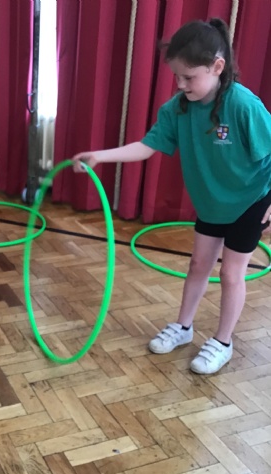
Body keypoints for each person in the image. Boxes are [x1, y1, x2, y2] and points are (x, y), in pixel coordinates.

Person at [73, 18, 271, 375]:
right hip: (212, 200)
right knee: (198, 265)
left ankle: (223, 342)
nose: (180, 84)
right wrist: (100, 156)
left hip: (250, 199)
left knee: (231, 274)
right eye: (176, 76)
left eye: (188, 77)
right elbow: (147, 147)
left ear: (217, 67)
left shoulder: (243, 104)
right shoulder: (177, 108)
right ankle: (183, 326)